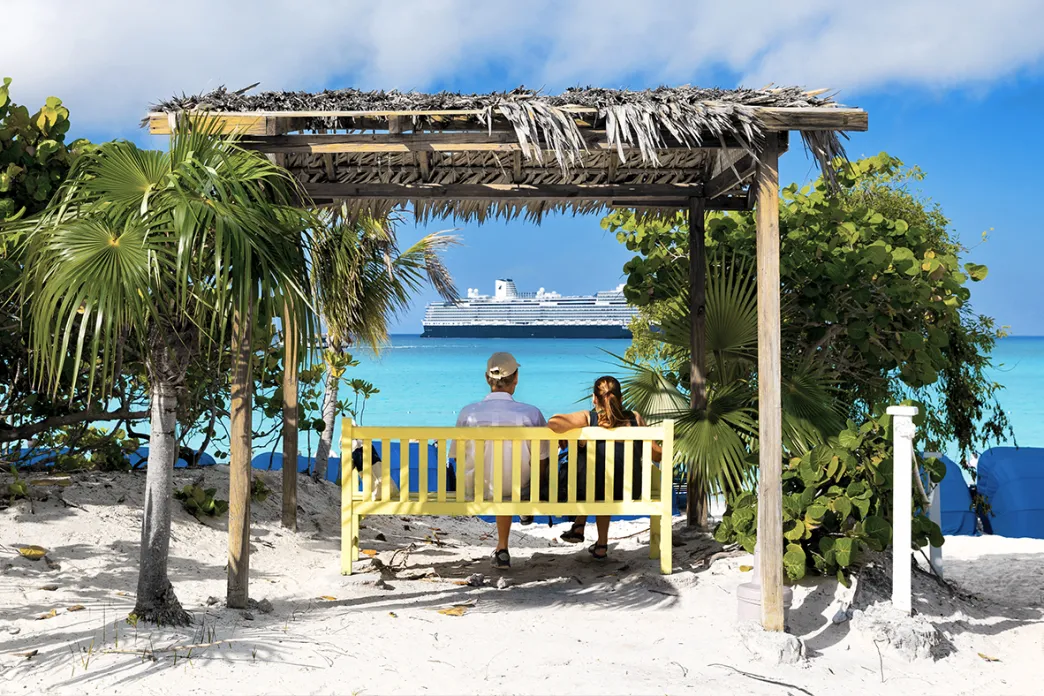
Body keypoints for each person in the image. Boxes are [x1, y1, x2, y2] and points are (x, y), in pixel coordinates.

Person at [548, 375, 661, 560]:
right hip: (630, 490)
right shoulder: (635, 419)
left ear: (594, 398)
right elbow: (656, 454)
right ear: (621, 398)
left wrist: (569, 433)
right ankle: (600, 543)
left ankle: (580, 525)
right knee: (608, 475)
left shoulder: (589, 418)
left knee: (598, 476)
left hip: (592, 490)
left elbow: (553, 423)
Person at [455, 352, 550, 569]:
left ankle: (502, 548)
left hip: (479, 488)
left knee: (495, 475)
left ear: (487, 378)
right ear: (516, 379)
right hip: (522, 488)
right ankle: (525, 508)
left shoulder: (468, 413)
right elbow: (543, 458)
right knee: (515, 477)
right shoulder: (531, 413)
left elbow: (459, 456)